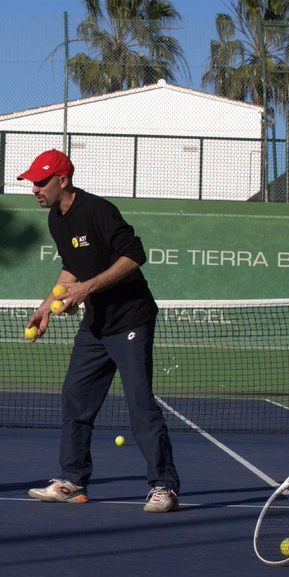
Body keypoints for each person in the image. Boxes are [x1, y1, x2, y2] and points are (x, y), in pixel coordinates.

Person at [19, 149, 180, 513]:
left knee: (140, 406)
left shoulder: (98, 211)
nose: (34, 189)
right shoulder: (56, 221)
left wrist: (87, 289)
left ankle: (164, 487)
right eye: (31, 182)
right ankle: (73, 482)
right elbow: (71, 270)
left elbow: (135, 255)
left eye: (41, 182)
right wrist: (46, 305)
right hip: (95, 325)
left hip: (130, 320)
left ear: (63, 180)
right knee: (75, 398)